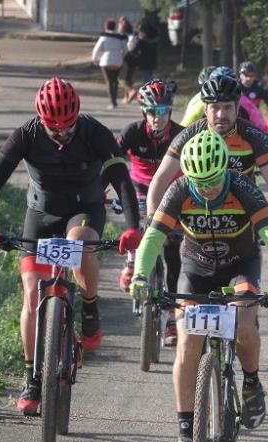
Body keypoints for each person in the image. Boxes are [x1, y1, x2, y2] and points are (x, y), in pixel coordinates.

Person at [128, 130, 268, 442]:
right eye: (199, 182)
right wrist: (141, 275)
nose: (206, 188)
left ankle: (251, 383)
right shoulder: (178, 191)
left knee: (245, 324)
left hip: (240, 266)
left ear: (225, 169)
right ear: (187, 176)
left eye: (213, 180)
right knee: (187, 343)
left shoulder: (242, 188)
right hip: (196, 267)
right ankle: (185, 434)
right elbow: (152, 238)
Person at [0, 77, 142, 414]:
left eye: (68, 125)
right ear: (41, 120)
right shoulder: (26, 134)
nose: (63, 132)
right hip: (41, 213)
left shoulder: (94, 132)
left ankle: (90, 311)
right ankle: (31, 379)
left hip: (84, 209)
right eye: (55, 127)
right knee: (33, 294)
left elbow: (122, 178)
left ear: (77, 115)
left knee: (78, 247)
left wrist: (132, 228)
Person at [146, 68, 268, 235]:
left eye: (227, 108)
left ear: (237, 107)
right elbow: (161, 177)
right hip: (198, 222)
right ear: (205, 109)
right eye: (215, 107)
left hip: (241, 223)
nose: (221, 114)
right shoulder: (189, 135)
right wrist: (152, 215)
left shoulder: (252, 136)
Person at [116, 80, 185, 345]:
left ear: (170, 111)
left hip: (172, 194)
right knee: (136, 223)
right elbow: (111, 162)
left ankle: (170, 319)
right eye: (152, 112)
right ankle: (132, 260)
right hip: (139, 191)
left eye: (164, 111)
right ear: (144, 112)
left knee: (173, 255)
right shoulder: (132, 132)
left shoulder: (181, 134)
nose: (158, 118)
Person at [181, 66, 268, 132]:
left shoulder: (243, 101)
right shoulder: (201, 101)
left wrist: (265, 135)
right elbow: (186, 124)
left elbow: (258, 121)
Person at [92, 18, 127, 109]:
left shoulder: (104, 36)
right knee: (115, 81)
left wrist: (94, 59)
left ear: (105, 26)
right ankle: (115, 100)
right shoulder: (119, 37)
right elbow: (125, 49)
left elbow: (97, 49)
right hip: (117, 60)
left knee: (109, 81)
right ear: (114, 27)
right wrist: (121, 56)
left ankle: (113, 102)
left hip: (106, 60)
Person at [132, 25, 159, 89]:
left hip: (143, 63)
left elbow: (134, 51)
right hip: (152, 62)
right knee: (149, 77)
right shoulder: (154, 43)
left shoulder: (141, 42)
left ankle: (154, 91)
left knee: (147, 80)